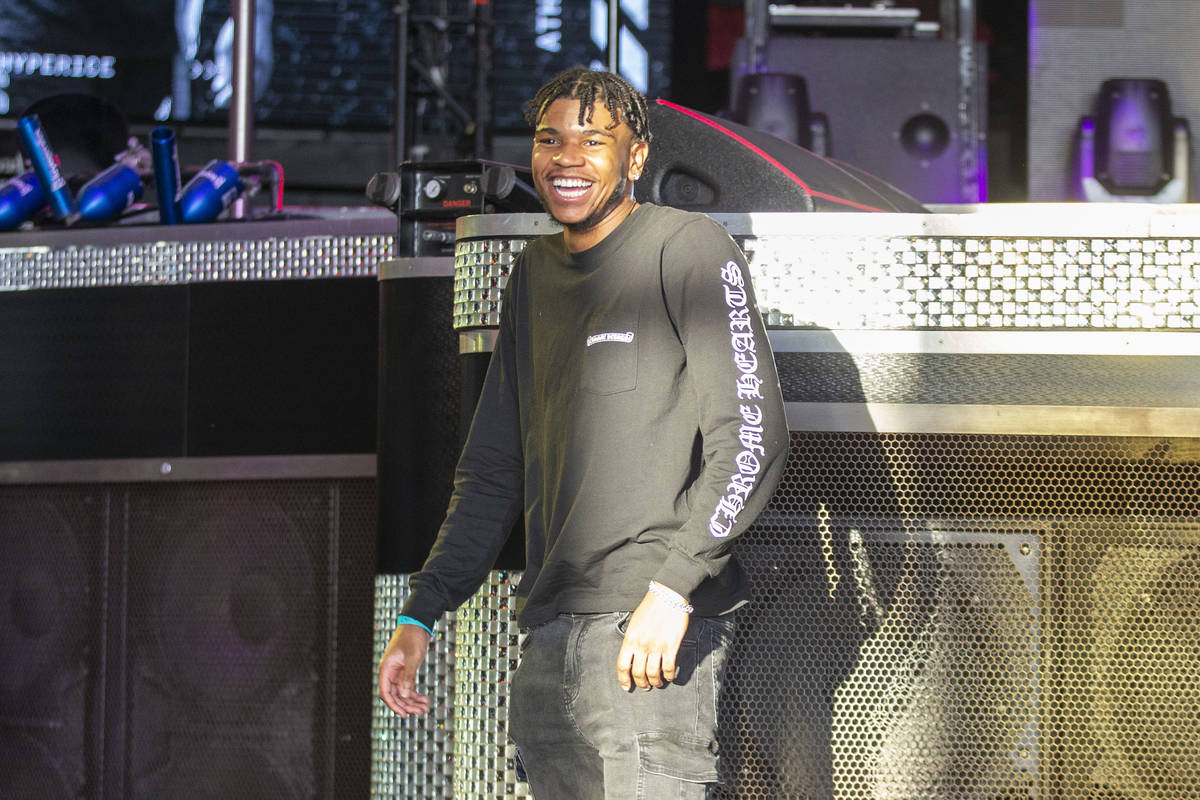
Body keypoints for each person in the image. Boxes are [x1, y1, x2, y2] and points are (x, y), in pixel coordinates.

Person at [378, 66, 787, 799]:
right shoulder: (534, 273)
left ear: (636, 158)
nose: (567, 157)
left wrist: (675, 587)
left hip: (655, 632)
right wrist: (424, 610)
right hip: (550, 636)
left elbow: (751, 435)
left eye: (594, 140)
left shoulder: (688, 247)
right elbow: (492, 469)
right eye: (550, 139)